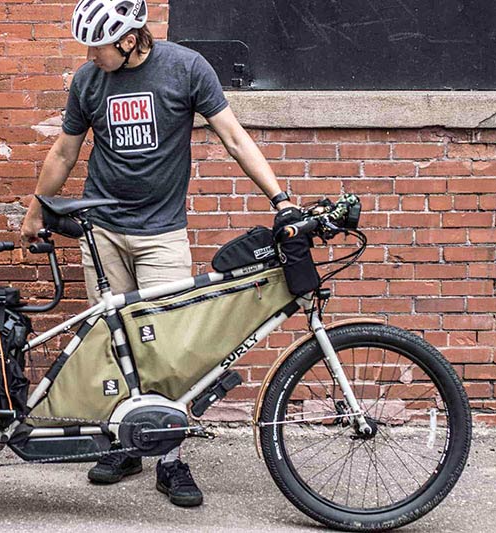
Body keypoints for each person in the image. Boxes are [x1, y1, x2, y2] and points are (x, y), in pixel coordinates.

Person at [20, 0, 295, 507]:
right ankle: (124, 444)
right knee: (110, 340)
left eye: (97, 44)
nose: (89, 54)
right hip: (102, 231)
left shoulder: (186, 68)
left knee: (169, 350)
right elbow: (65, 150)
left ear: (128, 40)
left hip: (161, 232)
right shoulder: (88, 81)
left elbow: (233, 137)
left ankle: (171, 461)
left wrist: (279, 198)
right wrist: (36, 211)